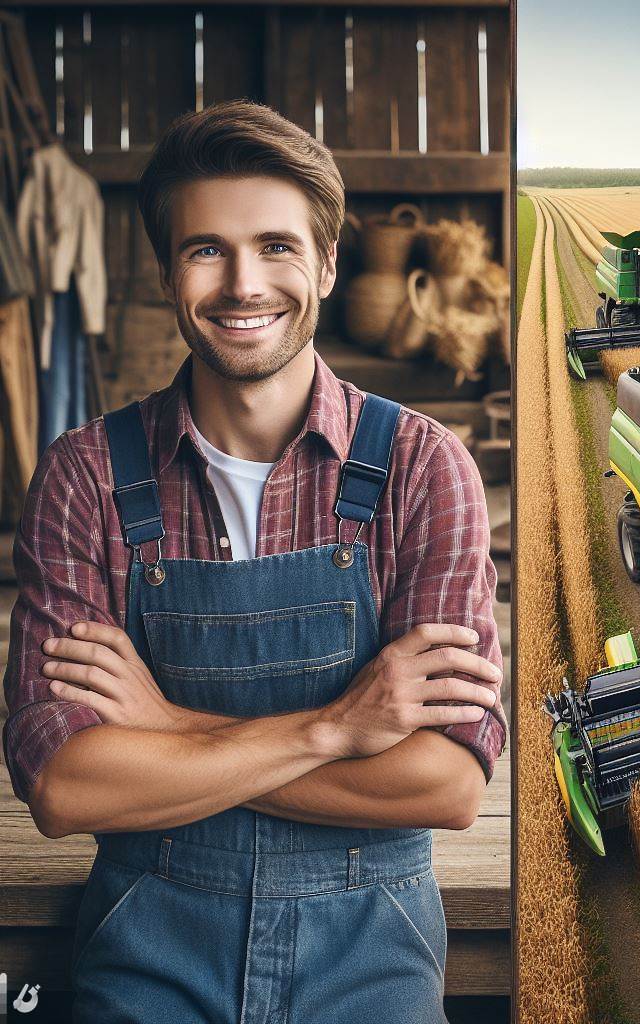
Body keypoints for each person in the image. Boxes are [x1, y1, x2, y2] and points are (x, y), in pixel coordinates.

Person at [1, 100, 506, 1024]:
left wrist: (166, 728)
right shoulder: (84, 479)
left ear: (325, 263)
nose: (244, 284)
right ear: (166, 273)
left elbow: (449, 783)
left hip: (372, 949)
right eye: (207, 250)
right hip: (148, 945)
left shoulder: (424, 469)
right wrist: (335, 729)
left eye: (276, 246)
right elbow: (66, 788)